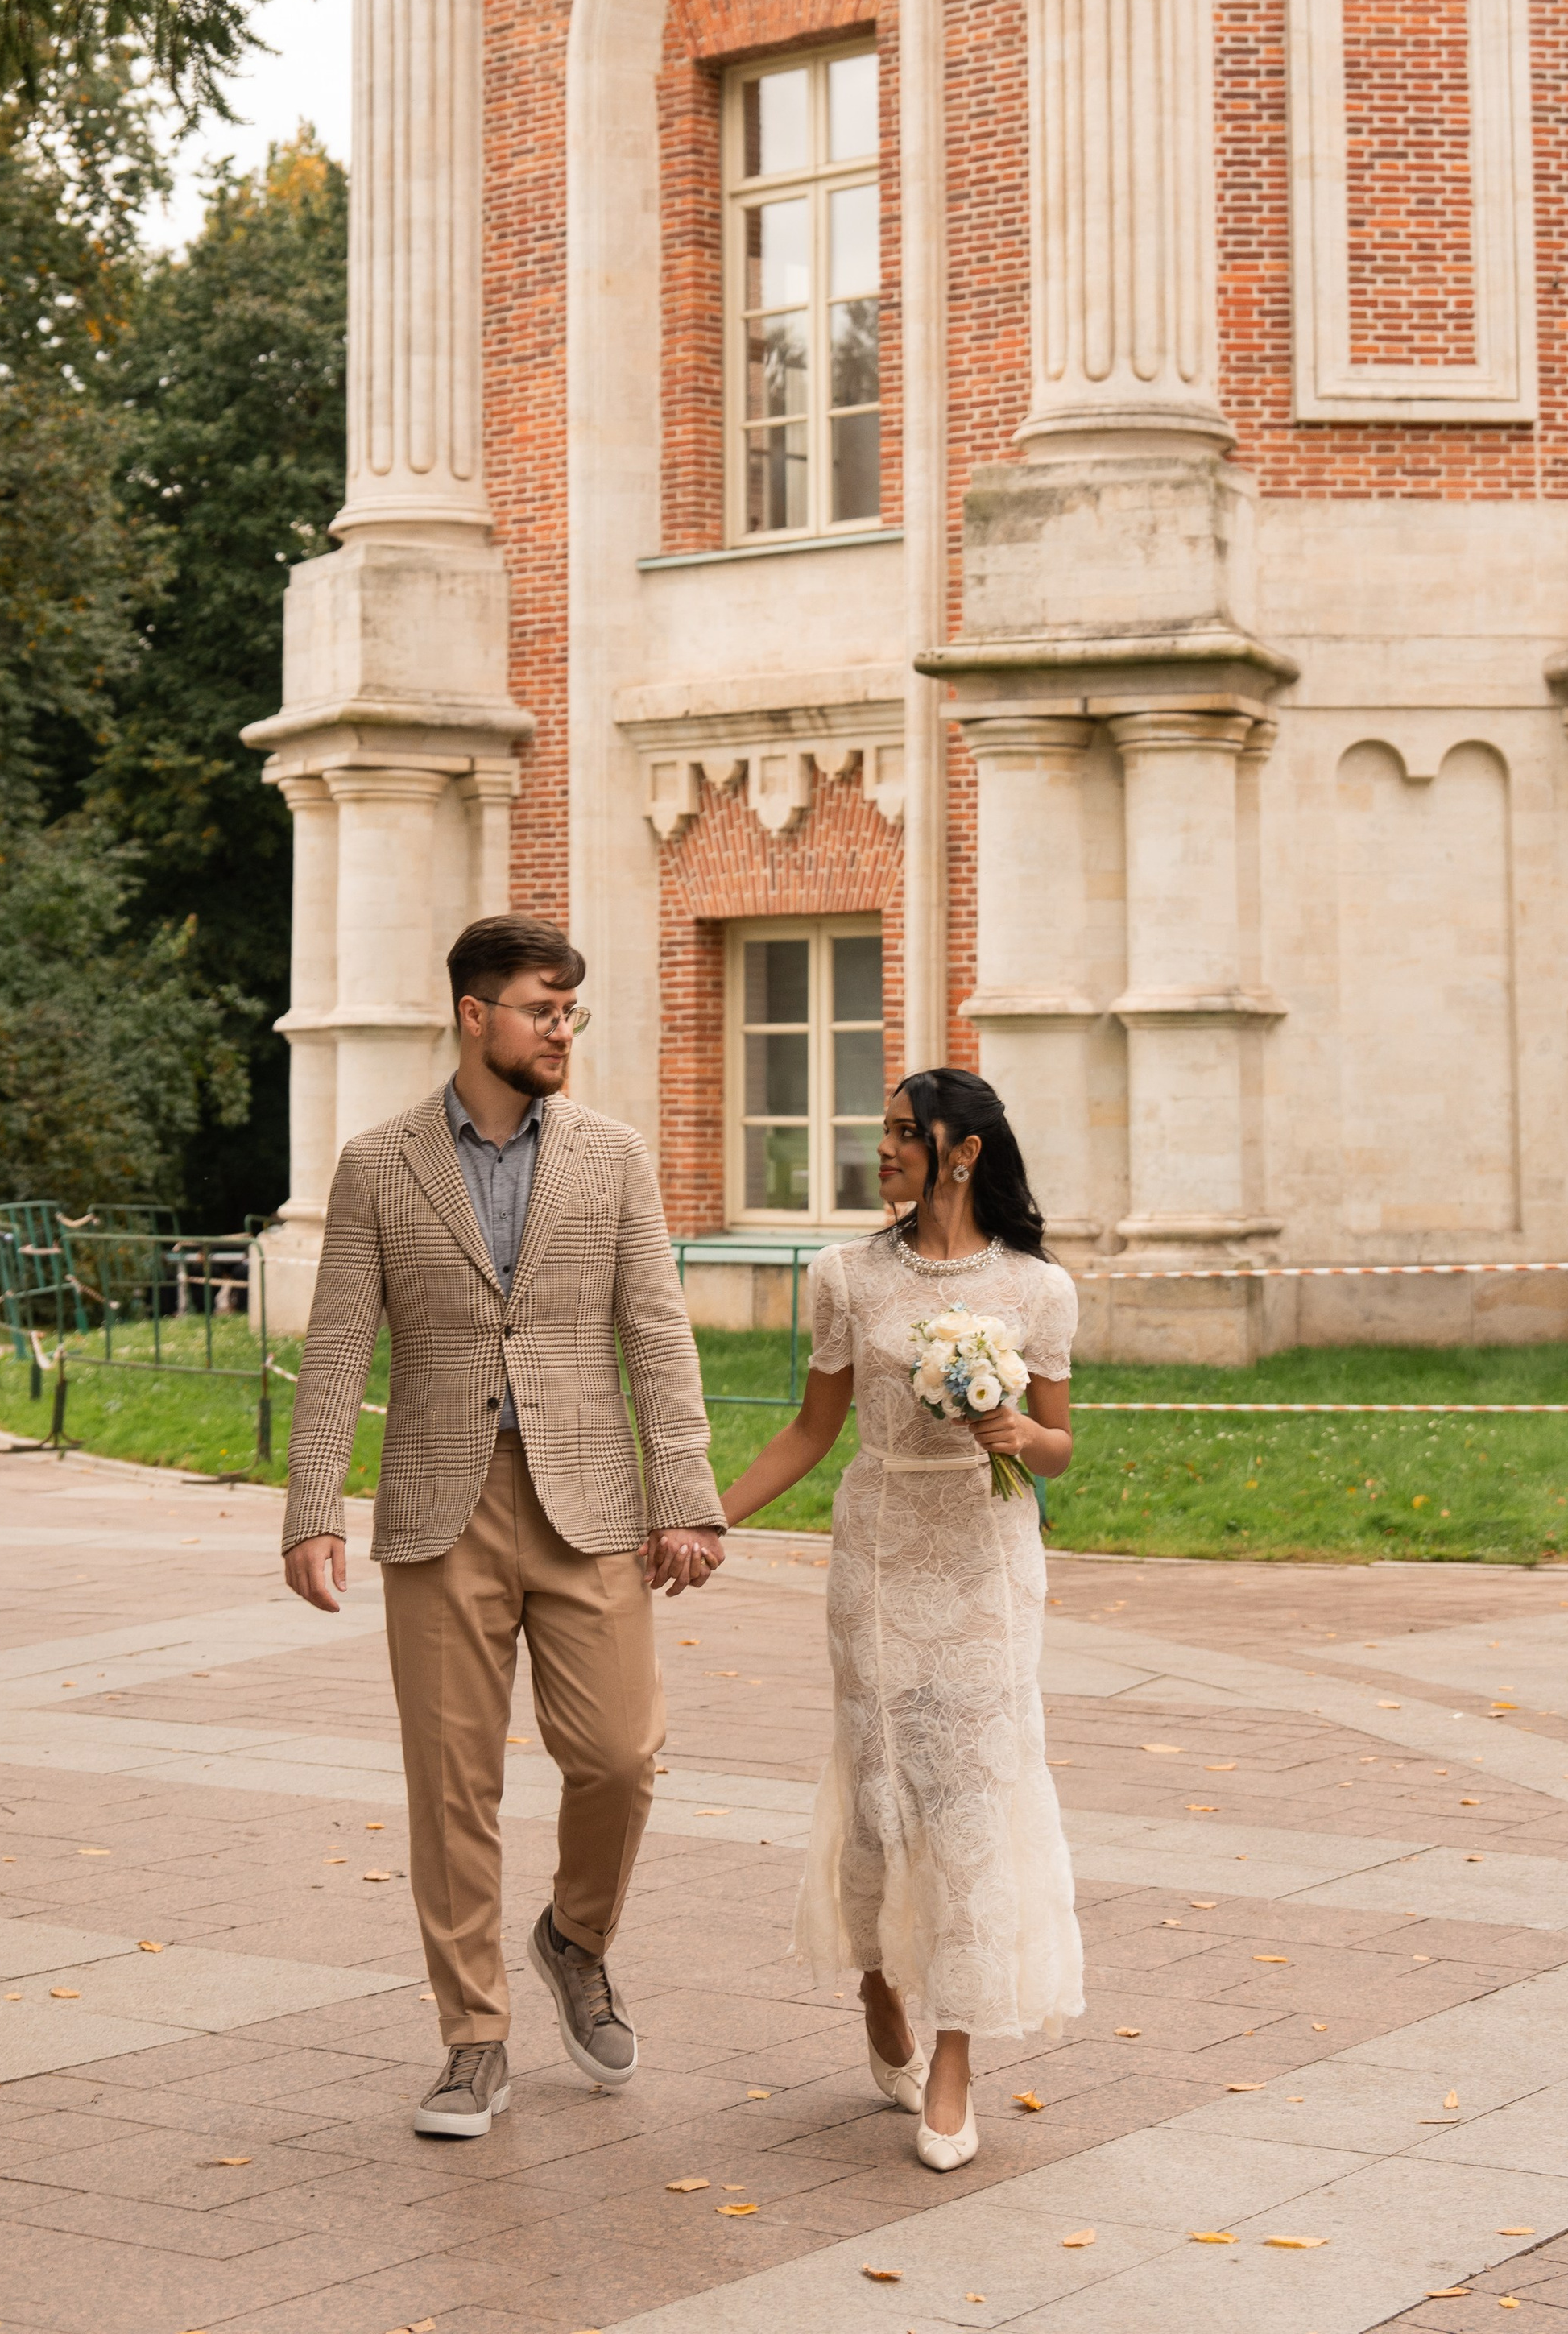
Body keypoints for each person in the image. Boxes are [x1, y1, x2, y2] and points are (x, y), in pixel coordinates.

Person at [280, 913, 726, 2140]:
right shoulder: (379, 1164)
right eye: (542, 1010)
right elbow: (335, 1350)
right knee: (453, 1785)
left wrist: (686, 1493)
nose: (561, 1031)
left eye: (571, 1012)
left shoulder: (613, 1155)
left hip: (589, 1505)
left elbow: (658, 1333)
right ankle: (472, 2039)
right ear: (475, 1017)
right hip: (441, 1506)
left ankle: (575, 1937)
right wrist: (311, 1505)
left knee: (622, 1757)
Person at [718, 1067, 1084, 2170]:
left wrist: (1021, 1435)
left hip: (984, 1561)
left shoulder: (1038, 1290)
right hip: (877, 1555)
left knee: (971, 1794)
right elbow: (808, 1432)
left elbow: (1063, 1445)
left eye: (898, 1133)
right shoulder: (845, 1277)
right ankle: (880, 1977)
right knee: (880, 1789)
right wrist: (700, 1520)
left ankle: (956, 2059)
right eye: (880, 1133)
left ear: (960, 1150)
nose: (879, 1150)